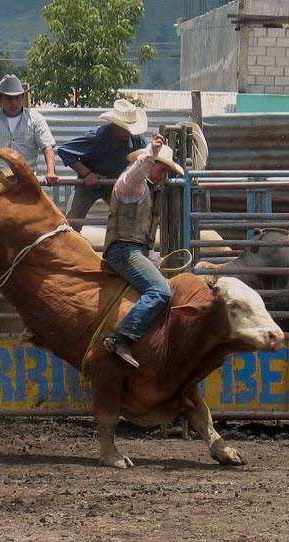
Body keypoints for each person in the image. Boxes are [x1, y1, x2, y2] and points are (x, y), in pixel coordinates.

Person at [101, 132, 184, 368]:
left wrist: (152, 258)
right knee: (161, 292)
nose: (164, 175)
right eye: (162, 169)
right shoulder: (132, 186)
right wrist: (151, 154)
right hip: (123, 251)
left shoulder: (149, 190)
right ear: (149, 165)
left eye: (167, 172)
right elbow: (135, 174)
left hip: (133, 251)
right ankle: (121, 336)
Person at [57, 99, 149, 227]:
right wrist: (87, 174)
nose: (130, 132)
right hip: (87, 185)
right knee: (72, 222)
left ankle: (124, 245)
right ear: (116, 126)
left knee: (128, 219)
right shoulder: (97, 136)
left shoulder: (136, 139)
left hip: (114, 184)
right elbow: (64, 151)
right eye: (126, 128)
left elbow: (147, 156)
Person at [0, 74, 58, 185]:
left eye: (17, 98)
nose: (14, 102)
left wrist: (50, 172)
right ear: (0, 100)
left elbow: (47, 148)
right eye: (9, 98)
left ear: (22, 98)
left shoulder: (35, 119)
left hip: (27, 180)